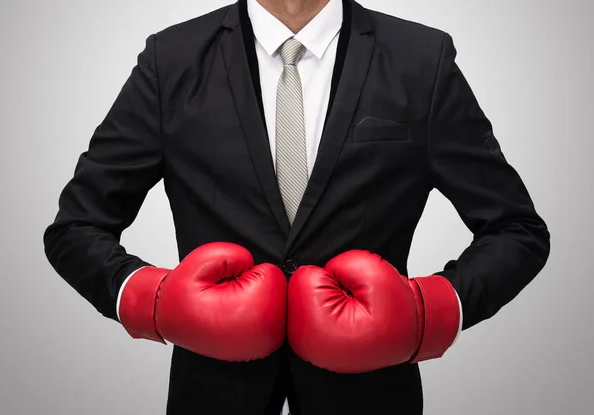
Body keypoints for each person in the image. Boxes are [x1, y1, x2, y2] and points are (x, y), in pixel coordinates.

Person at [43, 0, 551, 414]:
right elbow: (77, 227)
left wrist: (429, 312)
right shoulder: (172, 59)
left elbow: (517, 229)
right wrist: (152, 299)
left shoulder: (420, 59)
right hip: (214, 395)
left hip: (371, 395)